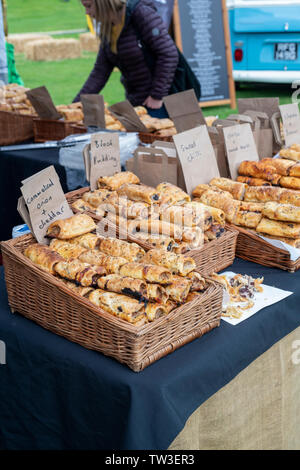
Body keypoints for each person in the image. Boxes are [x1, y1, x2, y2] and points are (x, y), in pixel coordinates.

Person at [74, 0, 180, 118]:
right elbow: (100, 72)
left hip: (165, 101)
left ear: (103, 4)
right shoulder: (109, 27)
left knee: (183, 136)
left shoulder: (141, 13)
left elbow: (168, 54)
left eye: (89, 6)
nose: (87, 12)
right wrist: (75, 105)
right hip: (137, 101)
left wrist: (157, 95)